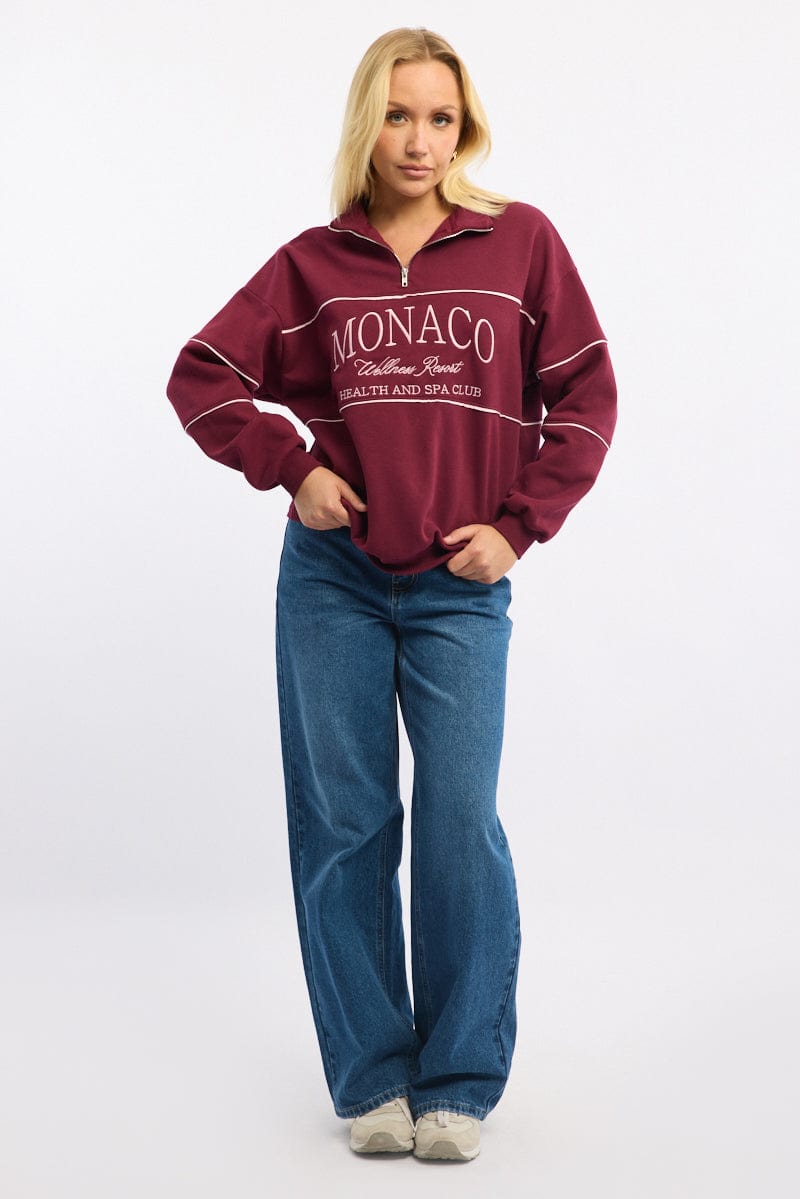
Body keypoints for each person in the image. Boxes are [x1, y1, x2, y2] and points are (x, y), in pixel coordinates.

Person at [166, 27, 616, 1161]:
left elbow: (585, 398)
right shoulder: (314, 264)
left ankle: (458, 1077)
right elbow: (202, 376)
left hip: (460, 584)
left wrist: (517, 527)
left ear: (465, 129)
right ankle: (372, 1073)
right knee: (346, 823)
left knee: (459, 819)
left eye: (441, 118)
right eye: (400, 115)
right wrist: (294, 469)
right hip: (333, 582)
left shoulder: (519, 244)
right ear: (367, 123)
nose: (420, 141)